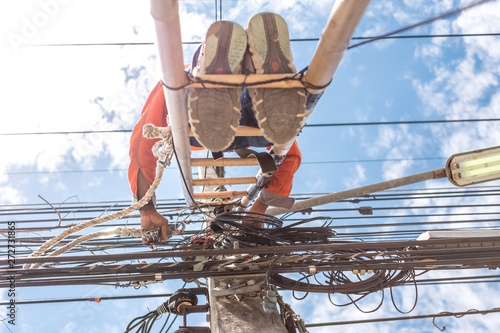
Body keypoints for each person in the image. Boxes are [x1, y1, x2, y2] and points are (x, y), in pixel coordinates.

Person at [128, 13, 307, 243]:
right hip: (249, 118)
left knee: (210, 132)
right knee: (267, 129)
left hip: (197, 107)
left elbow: (144, 138)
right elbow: (288, 154)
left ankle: (213, 82)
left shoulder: (174, 83)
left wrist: (146, 206)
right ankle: (266, 78)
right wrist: (259, 209)